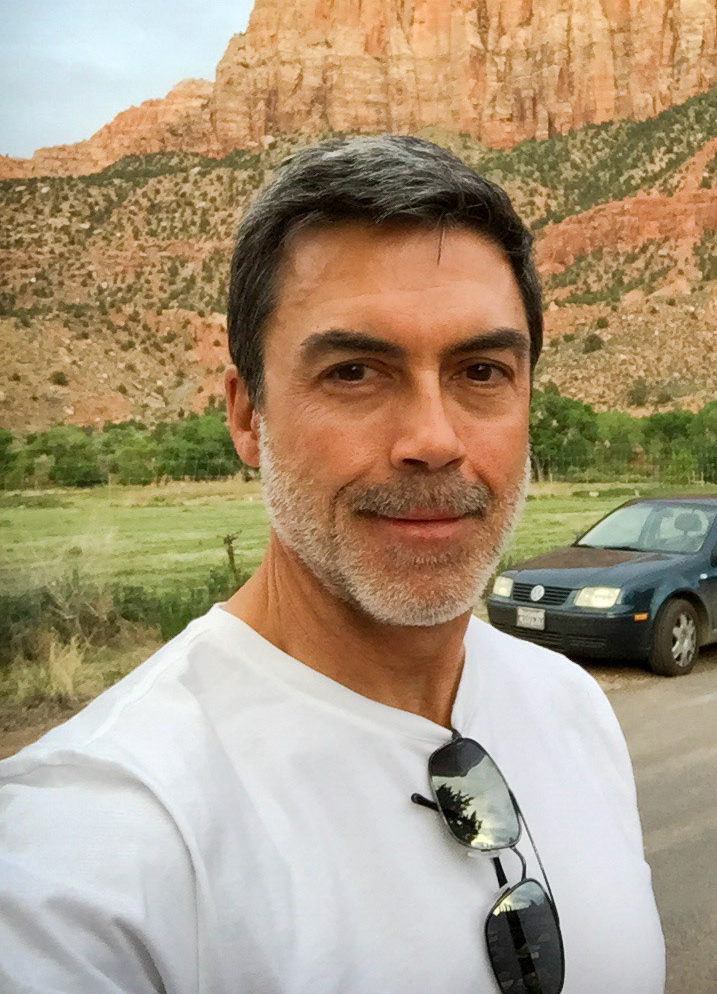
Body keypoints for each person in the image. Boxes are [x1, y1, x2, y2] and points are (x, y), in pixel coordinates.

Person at [0, 135, 666, 993]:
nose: (434, 440)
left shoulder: (572, 707)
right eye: (355, 371)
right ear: (248, 415)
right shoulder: (96, 845)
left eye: (481, 371)